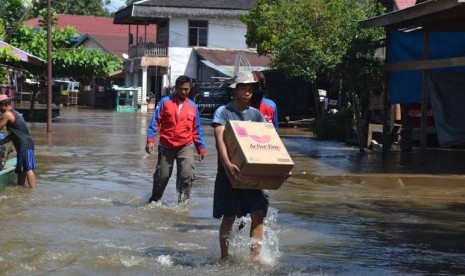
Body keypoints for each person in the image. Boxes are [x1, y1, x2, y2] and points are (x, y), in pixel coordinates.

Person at [211, 71, 268, 264]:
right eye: (243, 88)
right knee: (229, 216)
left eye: (250, 89)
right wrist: (227, 164)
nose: (248, 92)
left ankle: (255, 259)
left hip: (251, 175)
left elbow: (269, 143)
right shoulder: (223, 112)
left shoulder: (256, 115)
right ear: (234, 90)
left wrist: (280, 169)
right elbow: (220, 141)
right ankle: (224, 257)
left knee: (258, 214)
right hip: (229, 174)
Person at [146, 75, 206, 204]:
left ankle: (182, 204)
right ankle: (154, 201)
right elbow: (155, 122)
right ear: (175, 88)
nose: (184, 92)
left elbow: (197, 129)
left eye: (187, 89)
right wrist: (150, 140)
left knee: (186, 176)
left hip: (185, 145)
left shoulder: (192, 106)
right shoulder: (164, 102)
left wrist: (201, 148)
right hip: (166, 145)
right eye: (181, 89)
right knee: (162, 176)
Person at [0, 94, 36, 188]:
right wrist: (2, 142)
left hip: (24, 145)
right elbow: (13, 135)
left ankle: (33, 192)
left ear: (3, 104)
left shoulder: (7, 114)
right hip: (24, 144)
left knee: (28, 169)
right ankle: (21, 190)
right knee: (21, 170)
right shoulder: (15, 112)